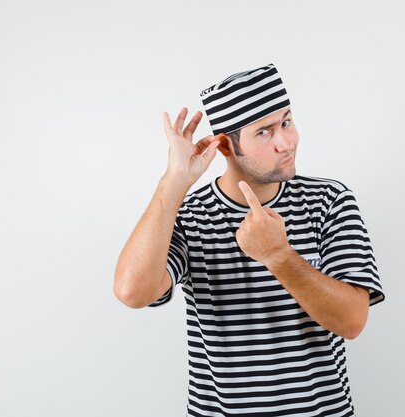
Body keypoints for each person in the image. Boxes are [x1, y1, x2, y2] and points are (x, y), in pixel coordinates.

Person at [114, 63, 385, 416]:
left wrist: (279, 256)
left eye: (286, 122)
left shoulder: (329, 200)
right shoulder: (190, 215)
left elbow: (352, 321)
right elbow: (132, 292)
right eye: (265, 132)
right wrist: (174, 182)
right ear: (226, 146)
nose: (286, 142)